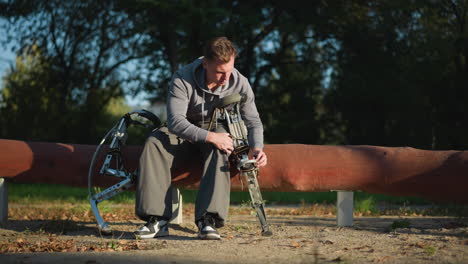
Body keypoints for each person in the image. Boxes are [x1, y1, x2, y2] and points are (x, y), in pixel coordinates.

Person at [134, 36, 267, 240]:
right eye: (220, 72)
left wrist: (257, 148)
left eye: (229, 70)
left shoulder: (240, 82)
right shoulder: (182, 78)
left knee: (222, 145)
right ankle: (156, 219)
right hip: (182, 130)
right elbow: (176, 121)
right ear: (205, 63)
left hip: (218, 131)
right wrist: (210, 136)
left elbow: (253, 121)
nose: (225, 78)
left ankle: (208, 220)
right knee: (154, 142)